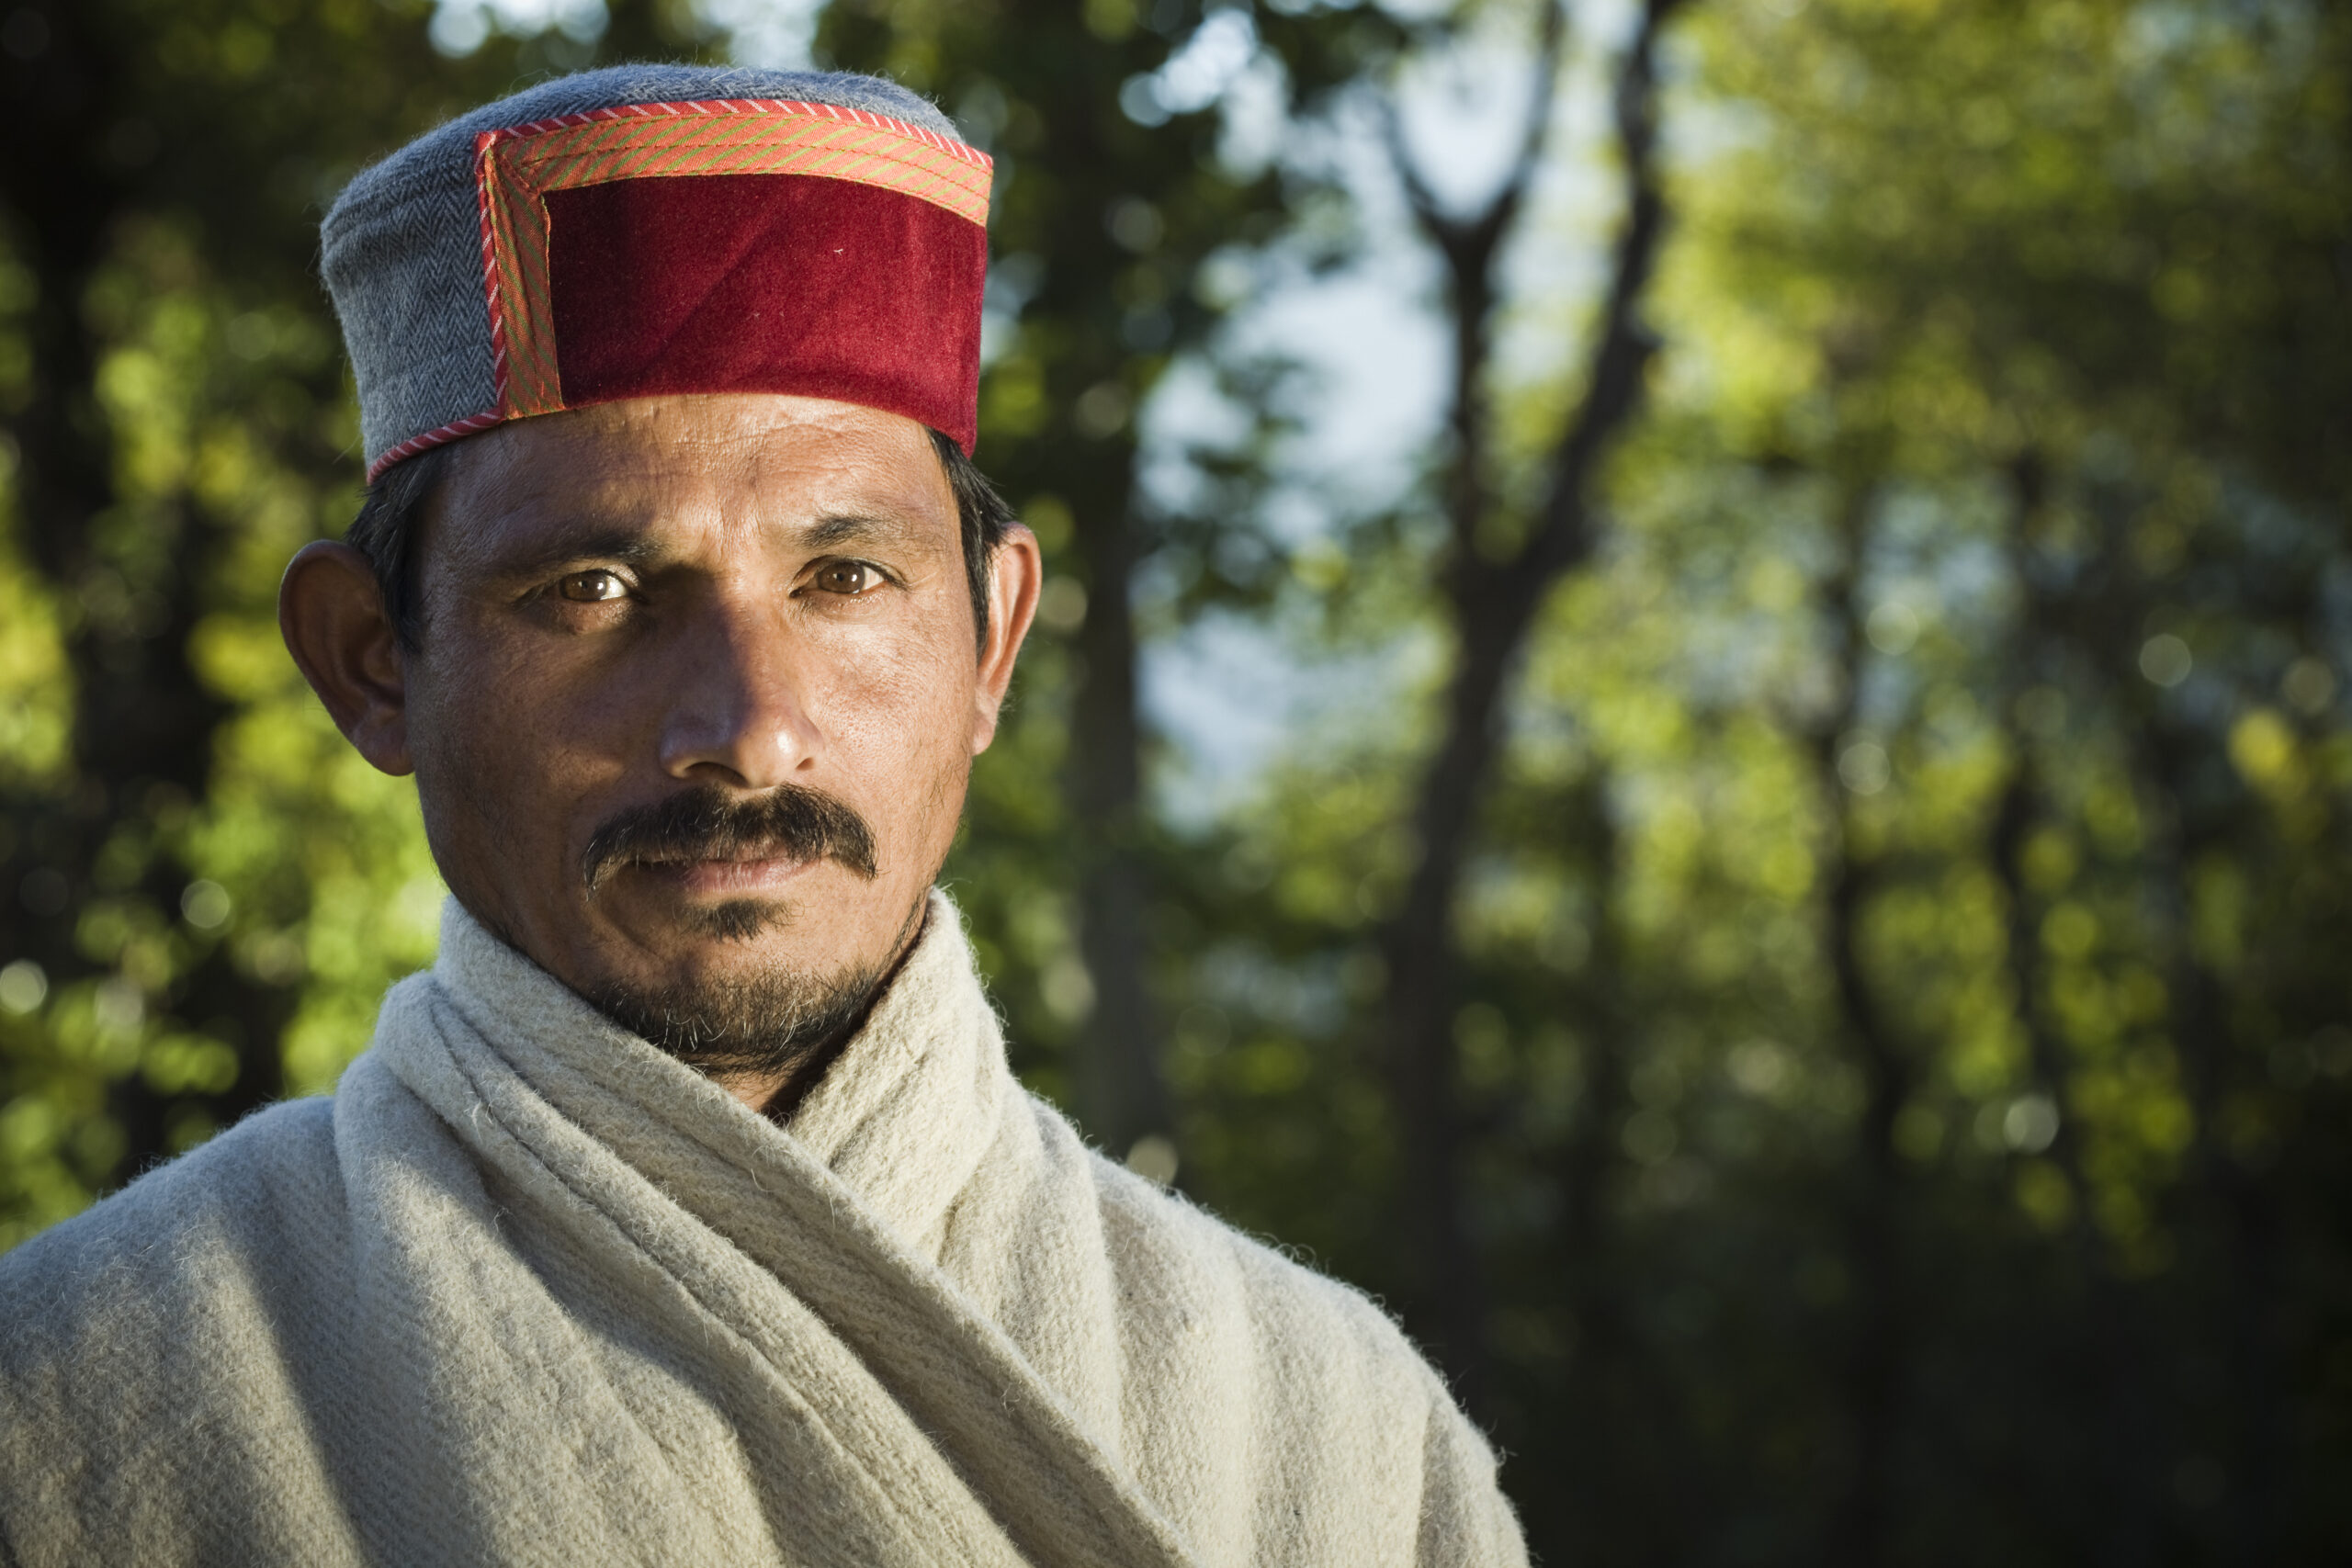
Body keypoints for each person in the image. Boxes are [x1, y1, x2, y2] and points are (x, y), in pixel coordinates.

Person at [0, 65, 1524, 1567]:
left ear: (991, 645)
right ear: (374, 664)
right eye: (592, 592)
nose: (746, 731)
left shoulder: (1338, 1427)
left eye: (845, 579)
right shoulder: (78, 1399)